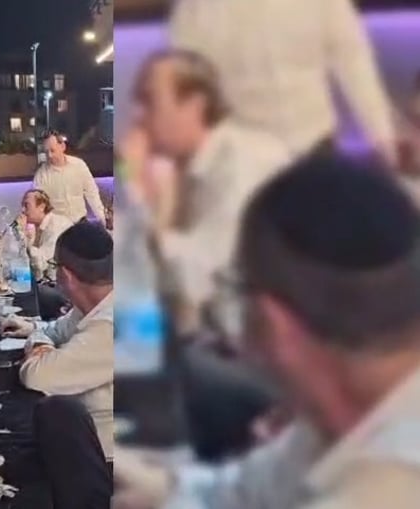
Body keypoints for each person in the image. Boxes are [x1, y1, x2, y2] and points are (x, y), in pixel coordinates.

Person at [113, 154, 420, 509]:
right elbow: (234, 494)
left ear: (275, 324)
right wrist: (153, 487)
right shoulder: (337, 425)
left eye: (239, 291)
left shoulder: (386, 488)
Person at [125, 49, 290, 331]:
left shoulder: (242, 162)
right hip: (227, 335)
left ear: (195, 105)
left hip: (253, 342)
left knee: (133, 338)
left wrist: (134, 186)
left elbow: (197, 280)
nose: (139, 117)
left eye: (149, 101)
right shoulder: (189, 169)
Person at [169, 0, 396, 163]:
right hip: (241, 163)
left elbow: (352, 59)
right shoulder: (196, 7)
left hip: (314, 149)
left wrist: (384, 138)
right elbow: (187, 81)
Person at [0, 222, 113, 476]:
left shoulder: (112, 327)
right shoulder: (96, 306)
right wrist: (37, 336)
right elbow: (52, 330)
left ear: (66, 275)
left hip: (107, 463)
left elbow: (36, 375)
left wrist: (39, 349)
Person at [33, 131, 106, 223]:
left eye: (52, 150)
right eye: (46, 152)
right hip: (58, 227)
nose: (49, 155)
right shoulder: (41, 175)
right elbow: (37, 206)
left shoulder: (79, 165)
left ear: (63, 147)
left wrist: (103, 219)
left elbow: (92, 193)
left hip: (81, 223)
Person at [17, 189, 74, 280]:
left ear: (42, 207)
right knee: (10, 277)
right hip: (42, 278)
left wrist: (21, 233)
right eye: (22, 206)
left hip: (57, 281)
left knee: (13, 281)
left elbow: (41, 264)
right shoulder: (34, 226)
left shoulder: (56, 226)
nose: (22, 210)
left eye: (26, 205)